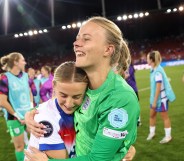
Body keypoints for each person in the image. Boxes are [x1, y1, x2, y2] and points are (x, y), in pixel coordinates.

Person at [24, 16, 140, 161]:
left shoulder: (120, 98)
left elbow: (98, 159)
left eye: (86, 39)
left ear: (108, 49)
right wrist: (32, 114)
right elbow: (60, 102)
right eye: (77, 38)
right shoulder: (85, 84)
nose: (76, 43)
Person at [25, 61, 88, 160]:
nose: (69, 103)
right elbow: (63, 159)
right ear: (54, 86)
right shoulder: (46, 118)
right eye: (63, 95)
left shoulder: (86, 107)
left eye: (77, 97)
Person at [0, 52, 34, 161]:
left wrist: (31, 108)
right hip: (15, 118)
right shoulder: (5, 78)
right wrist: (18, 116)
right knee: (19, 147)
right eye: (22, 60)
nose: (25, 62)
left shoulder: (25, 75)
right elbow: (2, 101)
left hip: (28, 115)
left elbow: (29, 92)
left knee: (36, 142)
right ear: (15, 62)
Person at [146, 50, 176, 144]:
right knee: (152, 115)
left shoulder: (158, 71)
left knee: (165, 117)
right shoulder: (154, 70)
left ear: (151, 60)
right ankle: (152, 133)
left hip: (161, 99)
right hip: (155, 99)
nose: (146, 60)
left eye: (147, 58)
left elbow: (158, 88)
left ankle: (168, 136)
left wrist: (155, 101)